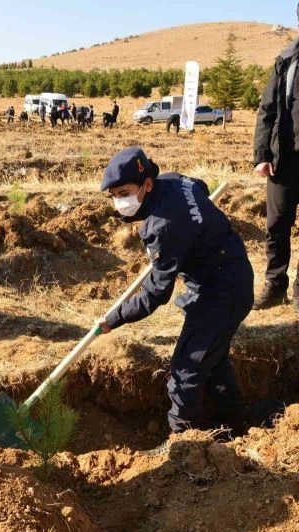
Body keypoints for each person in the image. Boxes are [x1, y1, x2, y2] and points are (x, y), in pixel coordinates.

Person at [96, 147, 253, 442]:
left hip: (221, 292)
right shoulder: (176, 181)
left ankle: (185, 445)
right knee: (213, 361)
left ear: (147, 184)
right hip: (231, 274)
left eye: (125, 192)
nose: (120, 202)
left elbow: (155, 295)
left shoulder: (163, 227)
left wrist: (114, 319)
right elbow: (201, 187)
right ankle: (235, 425)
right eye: (114, 195)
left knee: (186, 370)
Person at [252, 4, 299, 311]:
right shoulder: (286, 59)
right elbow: (267, 109)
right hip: (284, 161)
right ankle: (275, 286)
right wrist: (261, 154)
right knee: (277, 224)